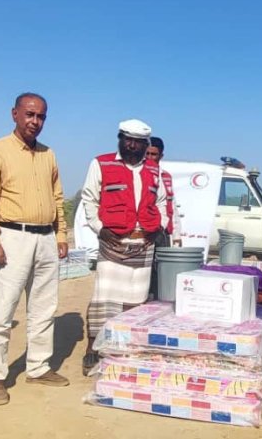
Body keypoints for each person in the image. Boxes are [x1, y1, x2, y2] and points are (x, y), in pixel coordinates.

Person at [0, 92, 70, 406]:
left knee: (44, 307)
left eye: (41, 116)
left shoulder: (48, 154)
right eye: (30, 114)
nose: (35, 122)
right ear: (15, 113)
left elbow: (57, 198)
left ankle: (38, 367)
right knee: (2, 310)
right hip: (12, 237)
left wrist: (61, 235)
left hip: (46, 238)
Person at [81, 119, 168, 375]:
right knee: (104, 299)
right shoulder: (101, 163)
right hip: (113, 242)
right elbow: (89, 198)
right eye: (127, 140)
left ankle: (125, 350)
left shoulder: (154, 170)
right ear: (120, 139)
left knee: (135, 300)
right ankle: (92, 349)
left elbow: (161, 201)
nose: (132, 146)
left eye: (138, 142)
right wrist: (99, 228)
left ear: (146, 145)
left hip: (144, 243)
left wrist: (158, 225)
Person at [146, 136, 182, 247]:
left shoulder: (165, 177)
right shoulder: (136, 174)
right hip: (144, 231)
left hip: (162, 233)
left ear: (161, 156)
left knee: (161, 264)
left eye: (153, 154)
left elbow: (172, 207)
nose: (149, 157)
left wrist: (177, 236)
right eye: (147, 153)